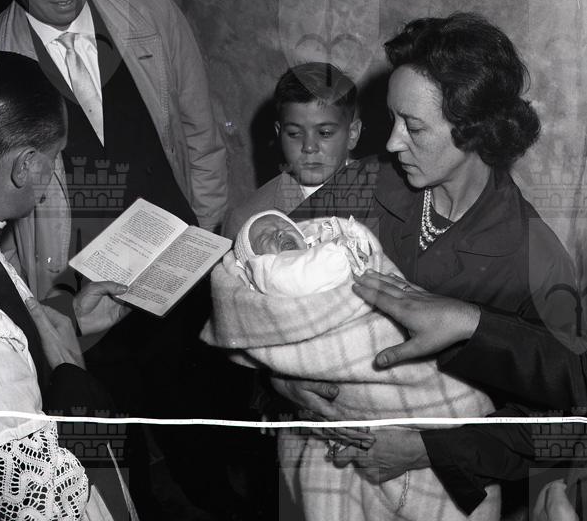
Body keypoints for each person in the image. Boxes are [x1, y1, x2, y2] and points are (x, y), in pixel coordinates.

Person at [273, 12, 581, 516]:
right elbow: (266, 282)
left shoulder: (535, 260)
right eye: (393, 119)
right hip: (322, 457)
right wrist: (281, 383)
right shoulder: (365, 183)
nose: (392, 141)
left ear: (475, 131)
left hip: (441, 490)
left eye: (413, 126)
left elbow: (563, 426)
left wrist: (426, 449)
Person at [0, 0, 227, 418]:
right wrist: (48, 315)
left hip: (182, 273)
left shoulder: (155, 16)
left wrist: (205, 236)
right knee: (108, 444)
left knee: (207, 425)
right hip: (77, 308)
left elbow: (203, 140)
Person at [206, 210, 498, 520]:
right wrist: (278, 379)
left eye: (283, 227)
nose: (279, 233)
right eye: (266, 236)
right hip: (329, 427)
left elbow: (528, 387)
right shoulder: (287, 245)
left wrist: (430, 449)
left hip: (444, 420)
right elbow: (255, 332)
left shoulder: (515, 239)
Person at [0, 51, 127, 520]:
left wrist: (70, 319)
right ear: (25, 165)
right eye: (54, 158)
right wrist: (75, 382)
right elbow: (46, 503)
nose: (54, 175)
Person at [222, 62, 361, 239]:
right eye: (294, 134)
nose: (309, 147)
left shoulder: (385, 196)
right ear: (279, 134)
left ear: (352, 134)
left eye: (325, 133)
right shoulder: (245, 224)